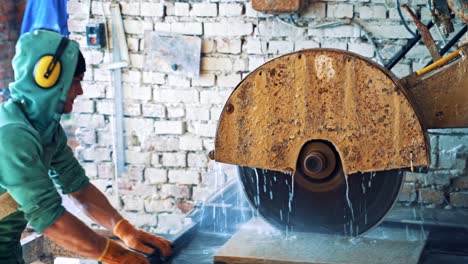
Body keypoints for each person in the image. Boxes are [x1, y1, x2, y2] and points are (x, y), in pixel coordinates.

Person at [0, 29, 172, 263]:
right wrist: (113, 254)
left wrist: (124, 230)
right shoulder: (12, 135)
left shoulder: (47, 132)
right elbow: (49, 218)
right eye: (76, 82)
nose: (79, 92)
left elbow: (78, 188)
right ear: (47, 78)